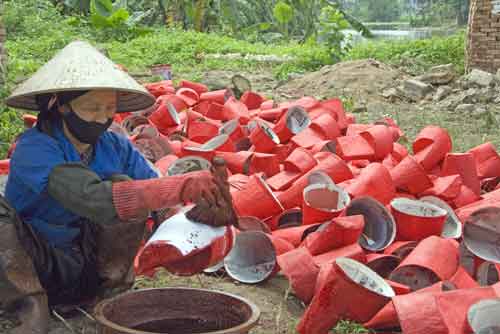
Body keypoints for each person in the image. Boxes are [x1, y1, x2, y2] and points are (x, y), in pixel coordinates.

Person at [0, 40, 230, 334]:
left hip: (88, 260)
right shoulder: (35, 148)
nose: (102, 117)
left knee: (129, 187)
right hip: (36, 260)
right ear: (62, 106)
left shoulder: (114, 145)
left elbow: (153, 188)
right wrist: (181, 187)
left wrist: (191, 222)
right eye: (91, 107)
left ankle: (108, 296)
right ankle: (29, 310)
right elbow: (93, 198)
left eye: (109, 108)